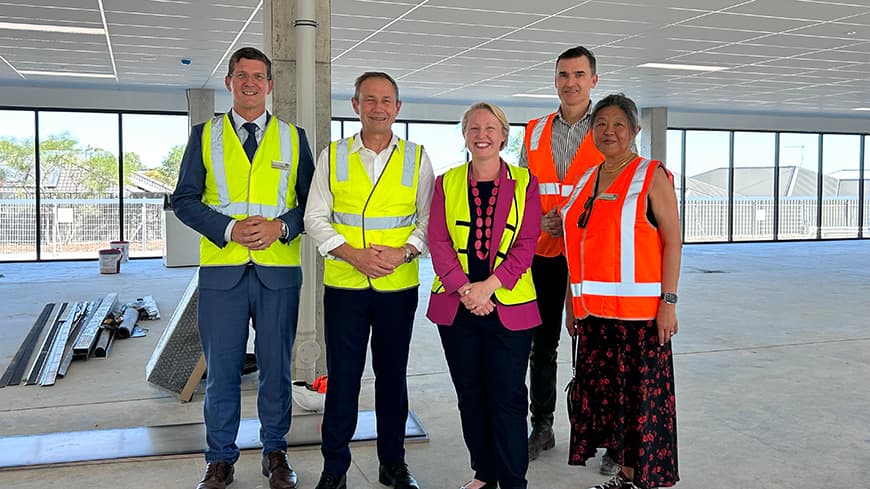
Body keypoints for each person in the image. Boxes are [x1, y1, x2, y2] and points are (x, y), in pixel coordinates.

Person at [172, 47, 315, 489]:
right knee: (221, 373)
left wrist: (282, 228)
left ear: (270, 85)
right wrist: (230, 229)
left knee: (276, 369)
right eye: (241, 75)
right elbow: (184, 200)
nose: (250, 83)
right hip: (223, 272)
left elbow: (311, 205)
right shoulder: (205, 135)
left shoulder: (294, 138)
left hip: (278, 273)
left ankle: (275, 453)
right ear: (230, 82)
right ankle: (220, 460)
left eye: (258, 76)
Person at [303, 71, 434, 489]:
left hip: (398, 287)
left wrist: (404, 251)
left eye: (387, 100)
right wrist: (353, 254)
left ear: (398, 108)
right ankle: (335, 468)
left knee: (392, 377)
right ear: (355, 105)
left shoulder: (417, 157)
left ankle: (392, 464)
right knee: (343, 378)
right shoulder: (333, 155)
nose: (379, 107)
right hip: (345, 285)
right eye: (370, 99)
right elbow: (314, 217)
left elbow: (430, 221)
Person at [560, 93, 681, 489]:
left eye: (618, 125)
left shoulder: (651, 175)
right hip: (596, 318)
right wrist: (571, 305)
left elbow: (673, 242)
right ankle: (625, 477)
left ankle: (640, 480)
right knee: (613, 408)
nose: (609, 132)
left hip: (641, 321)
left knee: (641, 407)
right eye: (601, 125)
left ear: (634, 131)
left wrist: (668, 303)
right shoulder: (586, 180)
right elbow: (575, 247)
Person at [427, 102, 542, 489]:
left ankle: (512, 481)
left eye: (490, 128)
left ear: (504, 135)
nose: (482, 135)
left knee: (508, 397)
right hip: (457, 306)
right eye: (474, 128)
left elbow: (527, 243)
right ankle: (484, 473)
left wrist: (489, 287)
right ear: (464, 135)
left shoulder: (526, 182)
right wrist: (465, 289)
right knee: (470, 395)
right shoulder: (446, 182)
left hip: (507, 305)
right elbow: (438, 241)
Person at [520, 46, 614, 473]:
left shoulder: (610, 130)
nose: (570, 82)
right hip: (542, 251)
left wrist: (572, 221)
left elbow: (620, 193)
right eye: (563, 75)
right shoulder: (535, 131)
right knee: (541, 345)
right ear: (554, 80)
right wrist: (541, 221)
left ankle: (611, 437)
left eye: (579, 74)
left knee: (599, 346)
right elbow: (523, 190)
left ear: (593, 80)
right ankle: (542, 425)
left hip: (591, 256)